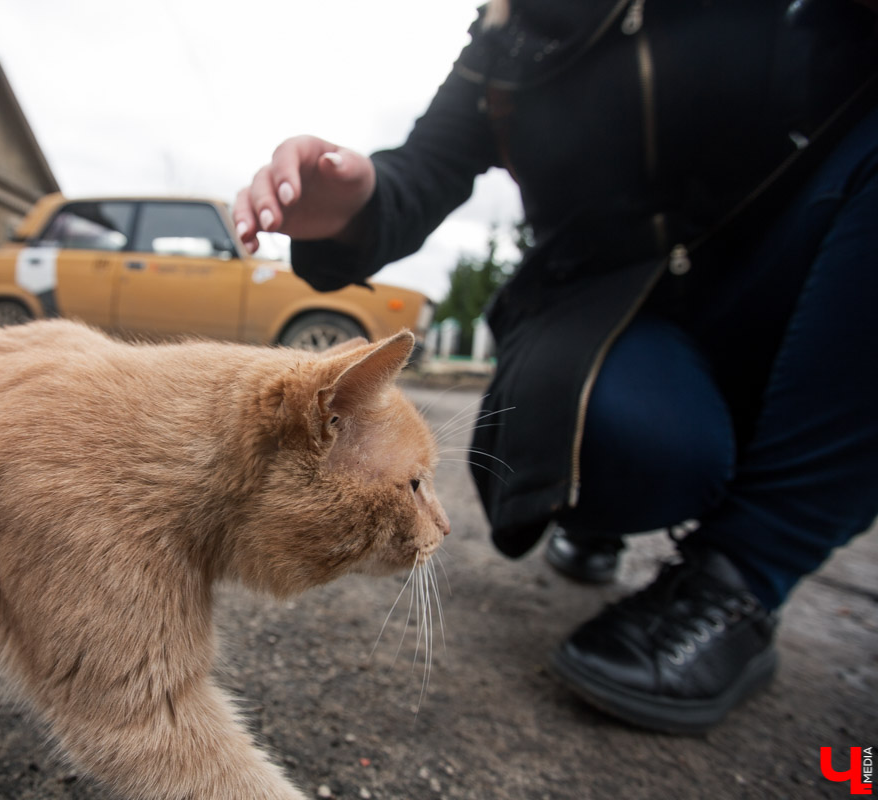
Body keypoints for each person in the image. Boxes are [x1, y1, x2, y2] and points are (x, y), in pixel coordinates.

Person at [234, 0, 878, 734]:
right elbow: (420, 172)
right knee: (625, 444)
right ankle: (594, 506)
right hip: (594, 305)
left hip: (787, 277)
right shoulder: (509, 32)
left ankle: (744, 573)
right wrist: (352, 202)